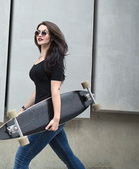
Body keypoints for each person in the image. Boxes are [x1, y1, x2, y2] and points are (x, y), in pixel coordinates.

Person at [13, 21, 85, 169]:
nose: (39, 35)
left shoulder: (55, 60)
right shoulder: (40, 59)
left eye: (44, 32)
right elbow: (39, 89)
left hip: (48, 117)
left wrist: (56, 118)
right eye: (37, 32)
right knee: (68, 157)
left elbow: (55, 91)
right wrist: (25, 107)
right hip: (41, 113)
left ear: (52, 36)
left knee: (21, 159)